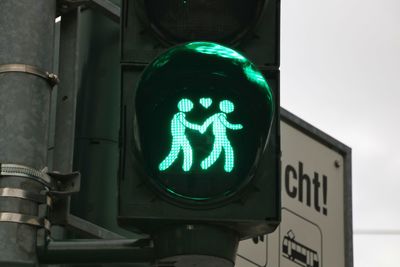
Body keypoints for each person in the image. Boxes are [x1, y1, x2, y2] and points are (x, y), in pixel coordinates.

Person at [199, 100, 243, 172]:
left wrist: (203, 128)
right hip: (220, 136)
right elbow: (227, 124)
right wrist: (237, 126)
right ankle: (206, 164)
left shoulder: (217, 115)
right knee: (224, 150)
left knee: (220, 151)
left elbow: (208, 121)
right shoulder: (221, 116)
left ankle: (206, 164)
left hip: (220, 136)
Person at [159, 98, 201, 172]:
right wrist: (198, 127)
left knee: (177, 152)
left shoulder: (177, 115)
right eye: (190, 106)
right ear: (185, 107)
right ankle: (185, 168)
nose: (191, 107)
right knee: (185, 151)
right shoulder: (180, 115)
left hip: (178, 136)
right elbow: (187, 124)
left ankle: (164, 166)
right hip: (179, 136)